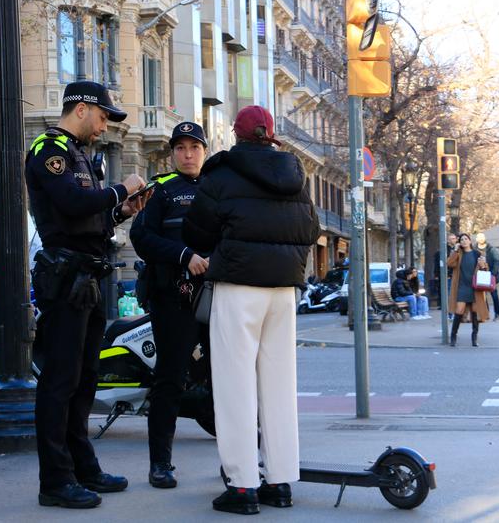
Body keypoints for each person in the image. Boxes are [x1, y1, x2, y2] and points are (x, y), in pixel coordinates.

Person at [182, 105, 320, 515]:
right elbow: (311, 229)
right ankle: (280, 480)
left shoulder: (222, 174)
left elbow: (196, 231)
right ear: (270, 136)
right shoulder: (294, 176)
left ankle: (242, 486)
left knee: (234, 387)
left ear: (237, 136)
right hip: (283, 291)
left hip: (238, 286)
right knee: (279, 386)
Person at [26, 80, 149, 509]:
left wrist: (120, 211)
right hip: (66, 279)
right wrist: (121, 189)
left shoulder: (79, 152)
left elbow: (88, 217)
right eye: (101, 117)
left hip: (88, 278)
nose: (103, 127)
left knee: (84, 380)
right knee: (60, 381)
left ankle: (83, 468)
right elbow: (72, 203)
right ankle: (55, 481)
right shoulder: (50, 148)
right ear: (81, 109)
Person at [129, 122, 211, 489]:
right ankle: (160, 464)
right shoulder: (161, 189)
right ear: (173, 153)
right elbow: (141, 237)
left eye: (194, 147)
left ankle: (239, 465)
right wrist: (183, 255)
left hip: (217, 297)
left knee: (228, 379)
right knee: (170, 379)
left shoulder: (217, 187)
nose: (188, 154)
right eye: (181, 148)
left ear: (204, 151)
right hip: (174, 299)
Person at [447, 233, 490, 347]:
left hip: (475, 287)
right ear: (459, 243)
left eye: (466, 239)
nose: (464, 241)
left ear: (470, 241)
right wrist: (455, 250)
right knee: (459, 311)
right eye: (461, 240)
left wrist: (483, 265)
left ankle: (474, 338)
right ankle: (453, 336)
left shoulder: (477, 253)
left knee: (475, 313)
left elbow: (485, 269)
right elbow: (449, 263)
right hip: (462, 287)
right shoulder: (458, 253)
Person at [475, 233, 499, 321]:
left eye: (482, 237)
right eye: (479, 237)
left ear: (485, 238)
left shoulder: (491, 249)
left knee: (494, 295)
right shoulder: (474, 249)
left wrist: (492, 274)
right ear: (476, 239)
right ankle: (486, 314)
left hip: (490, 275)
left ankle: (497, 314)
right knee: (482, 296)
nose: (481, 239)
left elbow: (497, 262)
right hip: (479, 276)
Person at [434, 233, 457, 317]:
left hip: (457, 274)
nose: (453, 240)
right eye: (451, 239)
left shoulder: (458, 249)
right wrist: (437, 274)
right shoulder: (443, 250)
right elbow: (439, 264)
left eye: (454, 238)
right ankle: (450, 313)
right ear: (447, 240)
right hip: (448, 275)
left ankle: (456, 313)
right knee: (449, 294)